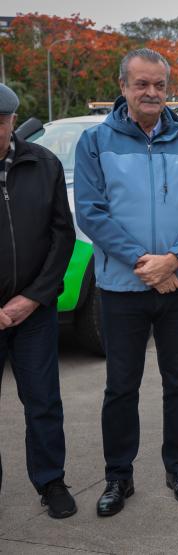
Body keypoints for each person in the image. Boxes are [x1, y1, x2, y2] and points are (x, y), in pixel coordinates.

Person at [74, 48, 178, 516]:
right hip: (122, 289)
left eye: (159, 85)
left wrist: (174, 260)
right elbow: (92, 212)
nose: (152, 93)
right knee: (121, 386)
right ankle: (119, 477)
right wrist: (145, 264)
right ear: (123, 88)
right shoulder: (96, 142)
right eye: (142, 84)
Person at [0, 83, 77, 518]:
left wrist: (32, 298)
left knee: (43, 402)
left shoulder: (43, 163)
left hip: (33, 311)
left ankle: (51, 482)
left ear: (12, 122)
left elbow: (61, 236)